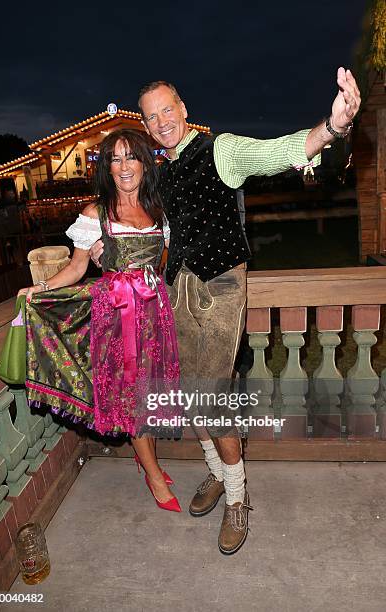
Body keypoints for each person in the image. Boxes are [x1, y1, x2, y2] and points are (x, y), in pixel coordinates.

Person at [89, 68, 361, 554]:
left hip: (220, 287)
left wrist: (332, 126)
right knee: (186, 391)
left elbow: (277, 152)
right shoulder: (159, 172)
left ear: (184, 109)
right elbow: (143, 231)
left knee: (211, 398)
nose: (161, 121)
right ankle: (216, 474)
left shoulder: (222, 149)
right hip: (179, 289)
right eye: (152, 117)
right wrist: (99, 253)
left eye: (167, 110)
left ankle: (238, 497)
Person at [18, 129, 182, 513]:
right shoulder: (97, 213)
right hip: (117, 317)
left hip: (154, 315)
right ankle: (155, 476)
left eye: (132, 157)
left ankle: (147, 460)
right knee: (132, 396)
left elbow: (162, 264)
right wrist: (38, 289)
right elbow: (76, 269)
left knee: (150, 392)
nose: (125, 167)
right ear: (107, 167)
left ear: (145, 161)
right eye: (116, 159)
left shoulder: (159, 209)